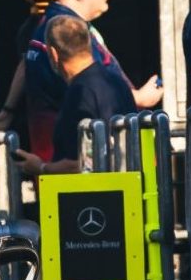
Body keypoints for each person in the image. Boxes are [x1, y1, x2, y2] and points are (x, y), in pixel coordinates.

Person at [0, 0, 160, 160]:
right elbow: (91, 88)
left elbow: (26, 64)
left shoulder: (47, 26)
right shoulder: (65, 33)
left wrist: (8, 110)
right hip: (74, 162)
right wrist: (140, 98)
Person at [13, 13, 136, 177]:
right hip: (129, 188)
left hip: (93, 198)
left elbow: (82, 164)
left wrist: (41, 167)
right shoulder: (116, 81)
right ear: (88, 44)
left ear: (54, 54)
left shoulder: (78, 94)